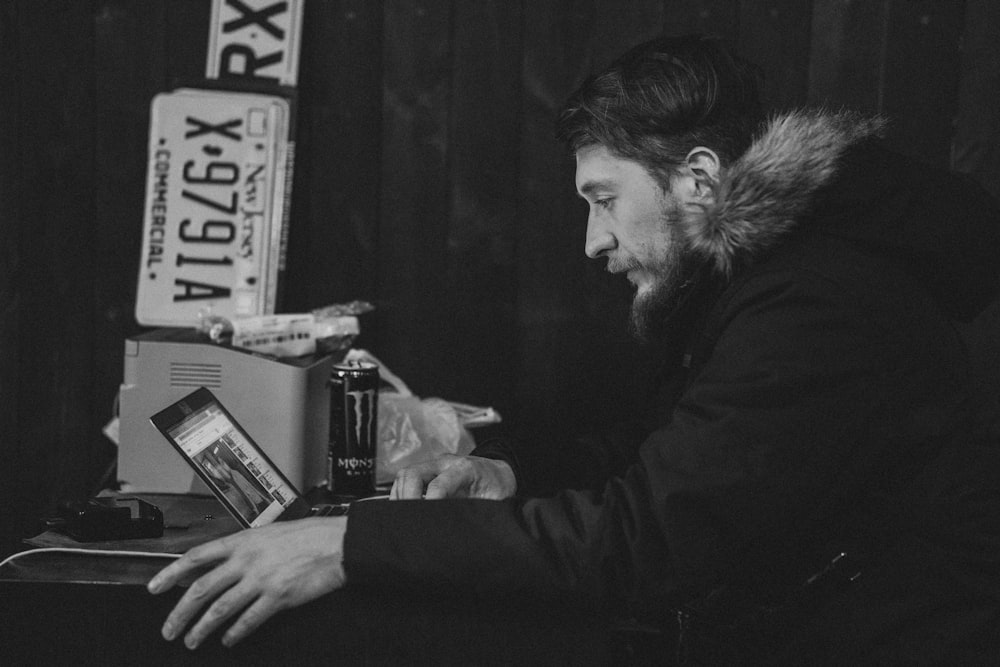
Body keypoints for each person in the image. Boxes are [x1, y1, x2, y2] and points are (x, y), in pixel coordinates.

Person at [147, 34, 1000, 663]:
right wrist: (506, 473)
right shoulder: (774, 280)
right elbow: (672, 462)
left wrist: (345, 545)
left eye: (603, 198)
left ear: (699, 181)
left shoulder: (813, 302)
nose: (593, 241)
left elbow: (649, 540)